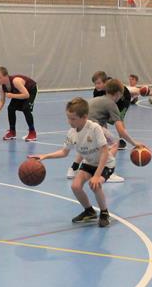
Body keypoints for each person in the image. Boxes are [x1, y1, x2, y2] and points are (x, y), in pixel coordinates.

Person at [31, 98, 115, 228]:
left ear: (84, 117)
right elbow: (64, 152)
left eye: (73, 119)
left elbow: (104, 152)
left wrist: (97, 175)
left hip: (105, 164)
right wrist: (45, 156)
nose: (69, 121)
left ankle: (104, 213)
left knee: (95, 185)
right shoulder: (71, 133)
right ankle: (89, 211)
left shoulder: (94, 128)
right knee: (75, 186)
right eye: (68, 118)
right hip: (89, 163)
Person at [0, 67, 37, 141]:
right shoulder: (2, 87)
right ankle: (12, 132)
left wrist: (12, 95)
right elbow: (2, 100)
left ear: (6, 76)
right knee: (10, 108)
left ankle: (32, 132)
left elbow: (26, 95)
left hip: (30, 91)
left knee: (26, 108)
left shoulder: (16, 81)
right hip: (19, 92)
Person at [91, 71, 133, 149]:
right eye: (95, 84)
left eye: (99, 83)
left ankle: (122, 139)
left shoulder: (113, 87)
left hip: (123, 100)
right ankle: (104, 137)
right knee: (102, 116)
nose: (96, 86)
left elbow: (119, 90)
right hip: (112, 100)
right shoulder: (97, 92)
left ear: (105, 82)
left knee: (119, 119)